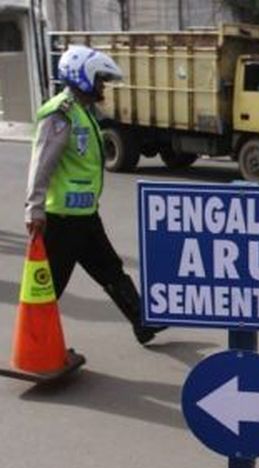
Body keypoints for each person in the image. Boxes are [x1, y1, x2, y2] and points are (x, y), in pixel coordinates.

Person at [24, 45, 165, 345]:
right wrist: (34, 209)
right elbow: (42, 164)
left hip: (84, 216)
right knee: (49, 287)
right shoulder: (60, 114)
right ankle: (36, 347)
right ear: (82, 77)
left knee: (110, 269)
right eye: (99, 79)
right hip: (61, 219)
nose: (103, 86)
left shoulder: (83, 112)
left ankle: (143, 322)